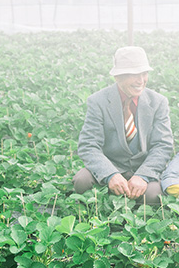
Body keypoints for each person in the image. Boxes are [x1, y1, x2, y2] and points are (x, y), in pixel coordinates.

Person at [73, 46, 173, 205]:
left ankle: (133, 220)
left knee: (154, 194)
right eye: (134, 75)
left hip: (143, 168)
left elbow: (162, 145)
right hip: (111, 165)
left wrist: (143, 176)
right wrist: (110, 174)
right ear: (117, 77)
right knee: (82, 180)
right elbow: (88, 145)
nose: (141, 81)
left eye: (144, 74)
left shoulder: (158, 102)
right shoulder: (98, 101)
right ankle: (99, 219)